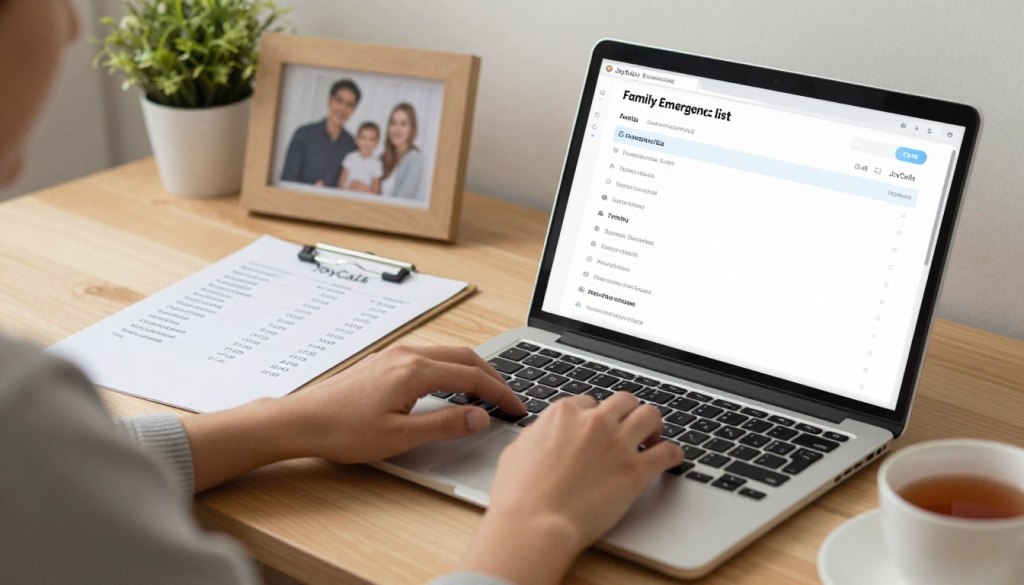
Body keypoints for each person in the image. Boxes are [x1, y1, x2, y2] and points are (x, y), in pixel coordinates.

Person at [0, 2, 685, 584]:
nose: (67, 27)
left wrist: (286, 421)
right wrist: (538, 519)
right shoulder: (23, 406)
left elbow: (38, 476)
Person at [279, 78, 361, 187]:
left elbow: (346, 185)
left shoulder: (352, 145)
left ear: (353, 110)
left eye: (349, 104)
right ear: (329, 101)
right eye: (339, 101)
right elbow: (287, 179)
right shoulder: (303, 134)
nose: (343, 108)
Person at [380, 102, 426, 200]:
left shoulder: (415, 158)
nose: (397, 129)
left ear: (412, 129)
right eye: (393, 123)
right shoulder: (383, 157)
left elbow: (403, 199)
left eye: (403, 124)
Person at [338, 121, 383, 193]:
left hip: (365, 200)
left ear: (376, 144)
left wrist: (365, 189)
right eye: (363, 138)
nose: (366, 143)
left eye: (371, 139)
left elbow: (375, 191)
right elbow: (341, 183)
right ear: (357, 140)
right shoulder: (350, 157)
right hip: (347, 196)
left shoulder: (377, 164)